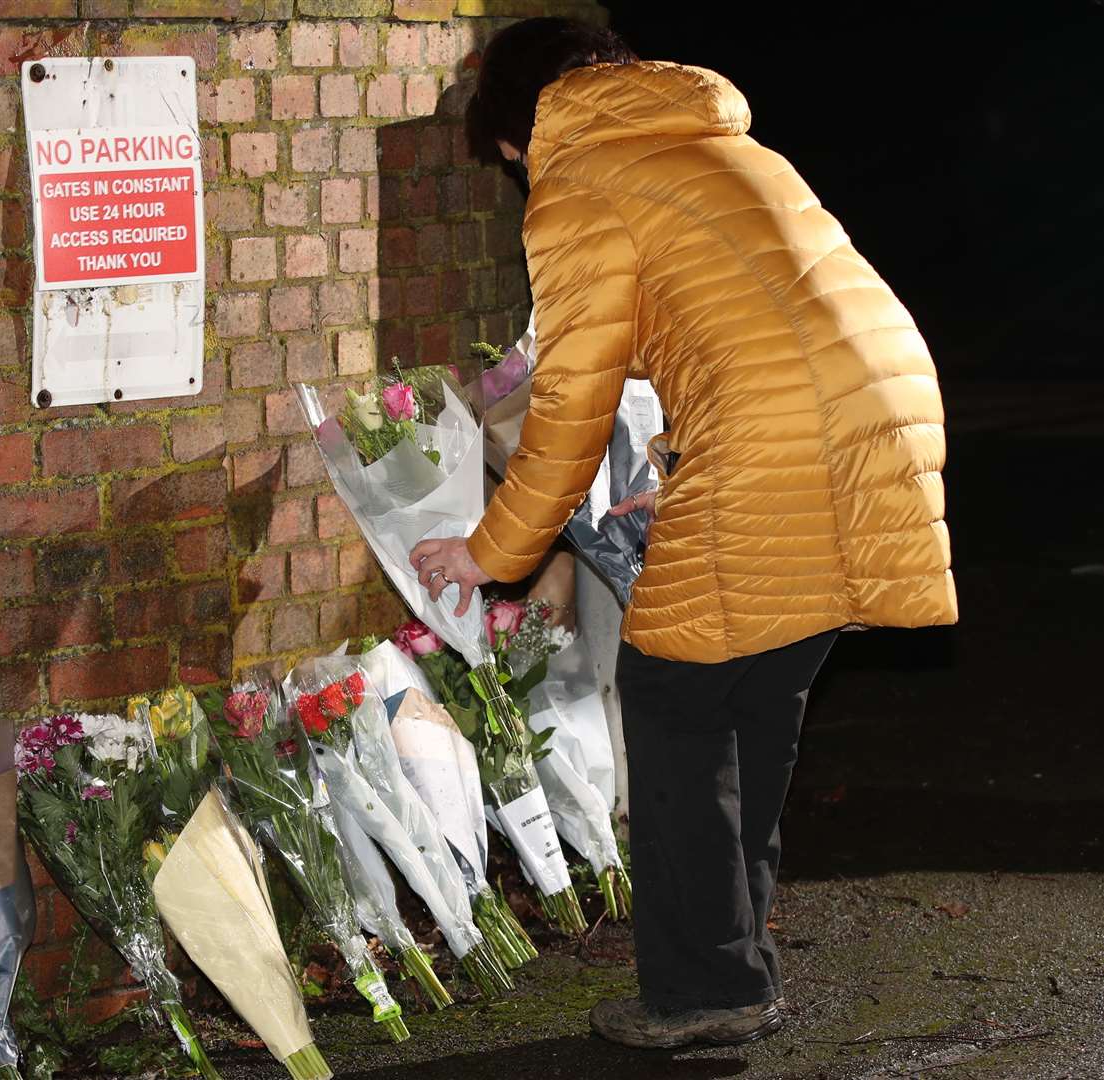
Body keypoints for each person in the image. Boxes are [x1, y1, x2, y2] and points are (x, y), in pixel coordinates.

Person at [409, 17, 958, 1050]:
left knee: (674, 700)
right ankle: (733, 963)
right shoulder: (716, 141)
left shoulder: (581, 182)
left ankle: (709, 993)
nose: (523, 181)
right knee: (751, 698)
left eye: (512, 162)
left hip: (779, 441)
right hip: (886, 413)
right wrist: (676, 476)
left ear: (525, 133)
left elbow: (571, 398)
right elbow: (747, 326)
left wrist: (489, 552)